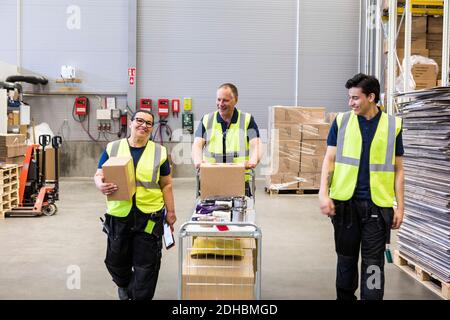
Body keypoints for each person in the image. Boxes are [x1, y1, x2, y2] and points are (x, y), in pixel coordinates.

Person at [319, 73, 405, 300]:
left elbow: (399, 170)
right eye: (350, 98)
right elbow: (329, 159)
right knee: (345, 260)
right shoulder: (342, 122)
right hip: (345, 204)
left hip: (378, 207)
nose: (351, 103)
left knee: (373, 264)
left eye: (355, 98)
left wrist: (400, 206)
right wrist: (323, 194)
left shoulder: (392, 125)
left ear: (371, 97)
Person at [94, 110, 176, 300]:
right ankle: (124, 285)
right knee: (115, 261)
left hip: (149, 215)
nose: (144, 125)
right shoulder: (113, 147)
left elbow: (167, 184)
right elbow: (99, 174)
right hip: (119, 214)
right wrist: (100, 184)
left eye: (149, 123)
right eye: (139, 120)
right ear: (131, 123)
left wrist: (170, 212)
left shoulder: (159, 151)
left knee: (146, 265)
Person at [191, 83, 262, 196]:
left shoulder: (247, 120)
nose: (220, 104)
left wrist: (253, 161)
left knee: (239, 212)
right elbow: (197, 144)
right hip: (211, 180)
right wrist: (198, 160)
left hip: (239, 179)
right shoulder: (207, 119)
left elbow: (256, 144)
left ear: (236, 100)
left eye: (225, 100)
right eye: (218, 100)